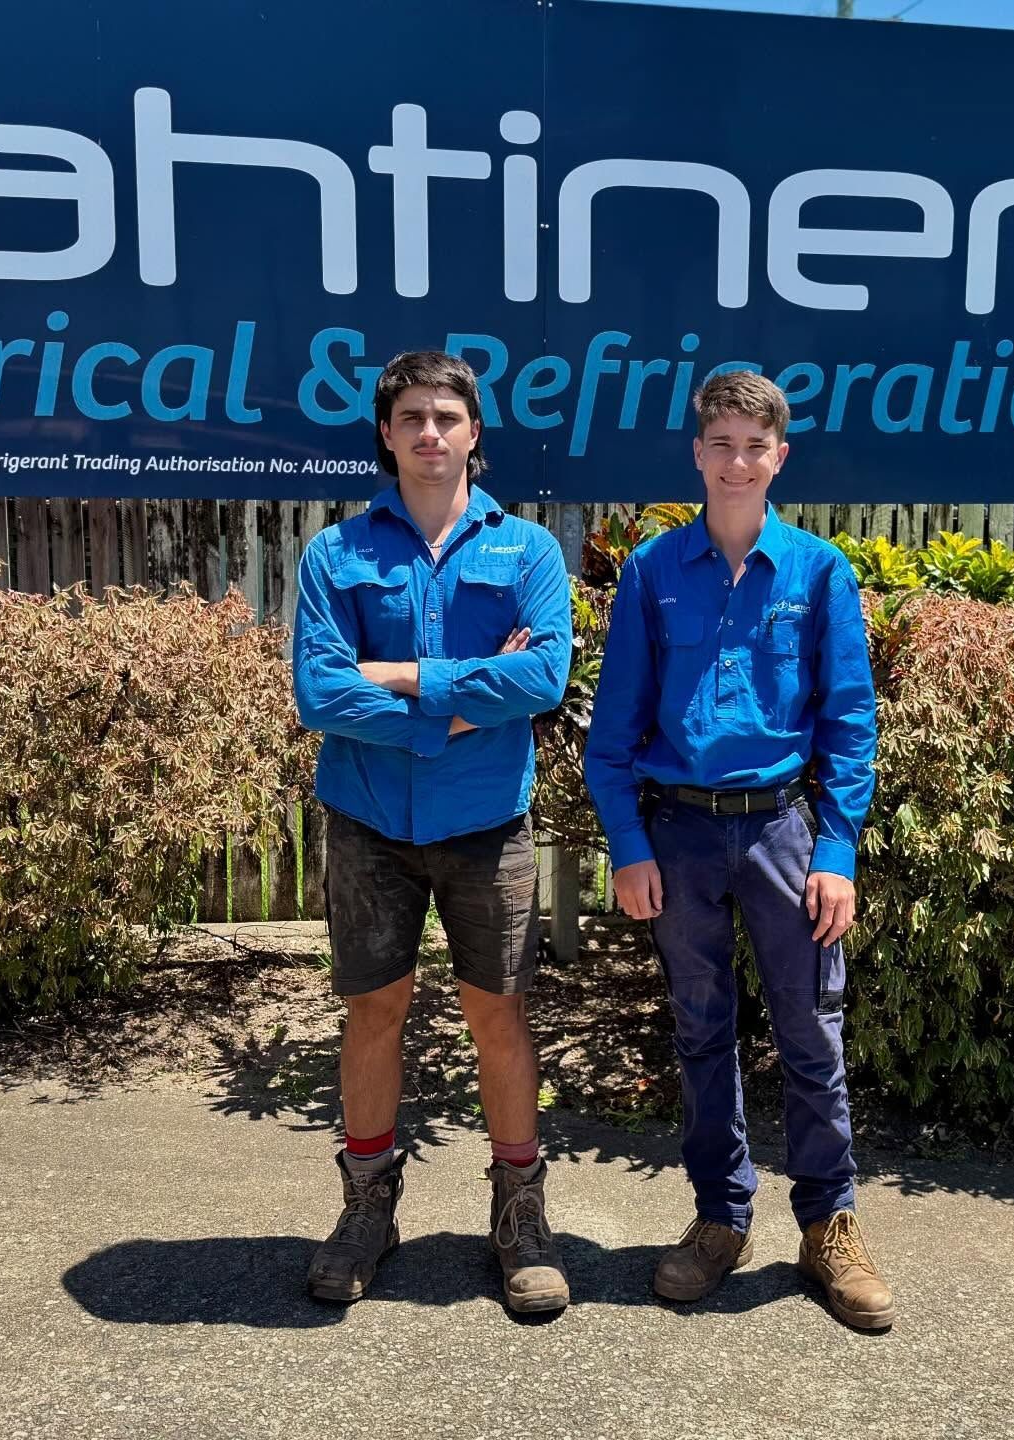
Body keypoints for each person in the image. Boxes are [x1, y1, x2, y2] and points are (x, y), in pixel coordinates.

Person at [583, 370, 891, 1330]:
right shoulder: (651, 572)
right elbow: (612, 732)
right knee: (700, 1030)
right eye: (720, 442)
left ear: (779, 458)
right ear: (698, 453)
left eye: (755, 445)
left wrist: (835, 848)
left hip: (781, 833)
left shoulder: (818, 571)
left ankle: (828, 1225)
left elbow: (848, 720)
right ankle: (719, 1220)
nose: (737, 461)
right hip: (677, 836)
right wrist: (629, 844)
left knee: (811, 1033)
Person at [293, 350, 573, 1314]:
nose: (428, 434)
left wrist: (402, 678)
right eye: (410, 417)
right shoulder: (336, 554)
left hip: (486, 825)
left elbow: (541, 681)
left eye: (445, 417)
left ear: (473, 431)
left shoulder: (528, 551)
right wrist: (461, 699)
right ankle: (368, 1208)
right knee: (374, 1011)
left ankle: (520, 1216)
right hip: (368, 825)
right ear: (385, 432)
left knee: (501, 1015)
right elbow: (321, 694)